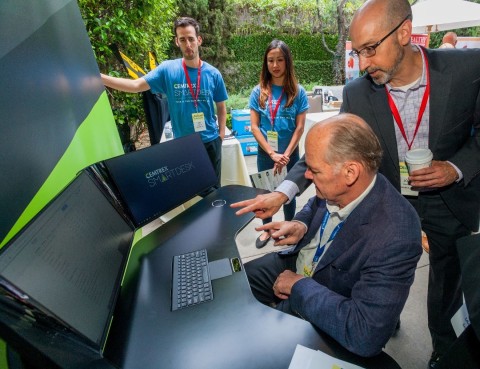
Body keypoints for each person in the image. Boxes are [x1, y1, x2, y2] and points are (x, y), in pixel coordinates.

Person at [231, 0, 480, 367]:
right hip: (389, 200)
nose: (362, 64)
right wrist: (284, 192)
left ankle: (441, 347)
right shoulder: (359, 92)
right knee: (382, 272)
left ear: (404, 34)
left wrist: (456, 168)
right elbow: (329, 151)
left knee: (446, 283)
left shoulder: (467, 69)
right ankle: (384, 313)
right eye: (358, 52)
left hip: (449, 199)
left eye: (369, 49)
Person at [245, 113, 422, 357]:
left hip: (322, 293)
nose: (306, 176)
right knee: (233, 283)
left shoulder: (396, 234)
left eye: (314, 170)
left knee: (255, 343)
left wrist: (300, 287)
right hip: (296, 262)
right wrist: (300, 224)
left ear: (350, 172)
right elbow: (314, 206)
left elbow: (365, 333)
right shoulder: (337, 184)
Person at [101, 17, 228, 189]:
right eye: (182, 39)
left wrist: (220, 135)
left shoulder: (213, 74)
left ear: (199, 40)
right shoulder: (168, 69)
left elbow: (221, 106)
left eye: (191, 39)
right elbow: (136, 85)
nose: (188, 44)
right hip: (183, 144)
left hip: (210, 142)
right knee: (189, 191)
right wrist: (99, 78)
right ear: (177, 42)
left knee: (214, 192)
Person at [249, 39, 308, 248]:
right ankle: (267, 230)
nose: (275, 65)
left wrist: (286, 155)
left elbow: (299, 128)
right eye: (270, 60)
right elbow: (255, 127)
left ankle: (288, 226)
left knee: (287, 192)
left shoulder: (298, 92)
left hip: (290, 154)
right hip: (266, 154)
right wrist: (272, 154)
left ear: (287, 62)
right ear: (265, 63)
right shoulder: (259, 92)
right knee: (266, 193)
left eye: (280, 60)